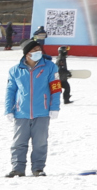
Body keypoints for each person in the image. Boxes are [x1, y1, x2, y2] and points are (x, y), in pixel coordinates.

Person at [5, 37, 61, 176]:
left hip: (42, 112)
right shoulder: (15, 70)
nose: (38, 51)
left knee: (40, 143)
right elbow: (10, 91)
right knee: (19, 143)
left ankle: (38, 168)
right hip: (21, 112)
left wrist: (54, 107)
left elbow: (55, 88)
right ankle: (17, 168)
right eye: (34, 50)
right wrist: (8, 110)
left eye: (39, 49)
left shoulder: (50, 66)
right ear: (27, 53)